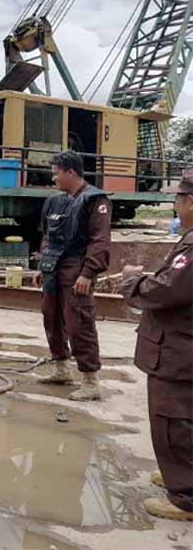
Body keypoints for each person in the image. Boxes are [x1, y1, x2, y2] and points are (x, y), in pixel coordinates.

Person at [120, 175, 193, 521]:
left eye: (177, 200)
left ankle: (185, 495)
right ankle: (180, 472)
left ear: (190, 202)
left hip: (179, 351)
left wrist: (132, 281)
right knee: (183, 418)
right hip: (181, 348)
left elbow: (166, 290)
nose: (175, 207)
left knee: (172, 419)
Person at [32, 150, 111, 401]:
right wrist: (41, 267)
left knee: (79, 322)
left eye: (56, 174)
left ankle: (90, 381)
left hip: (76, 268)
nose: (53, 179)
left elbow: (100, 241)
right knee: (51, 317)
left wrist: (88, 273)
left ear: (71, 172)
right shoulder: (54, 202)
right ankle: (61, 369)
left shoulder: (94, 200)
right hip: (53, 269)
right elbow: (48, 237)